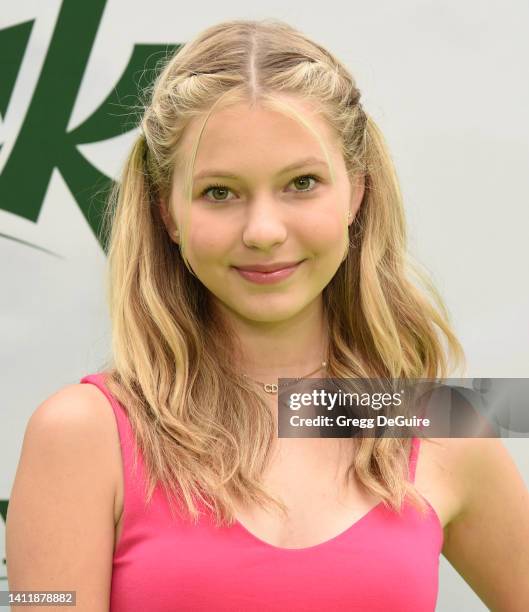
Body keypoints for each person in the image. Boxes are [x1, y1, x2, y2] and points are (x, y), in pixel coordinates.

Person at [6, 18, 529, 612]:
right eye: (220, 193)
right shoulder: (82, 435)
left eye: (301, 183)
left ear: (357, 192)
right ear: (167, 213)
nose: (263, 231)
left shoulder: (440, 426)